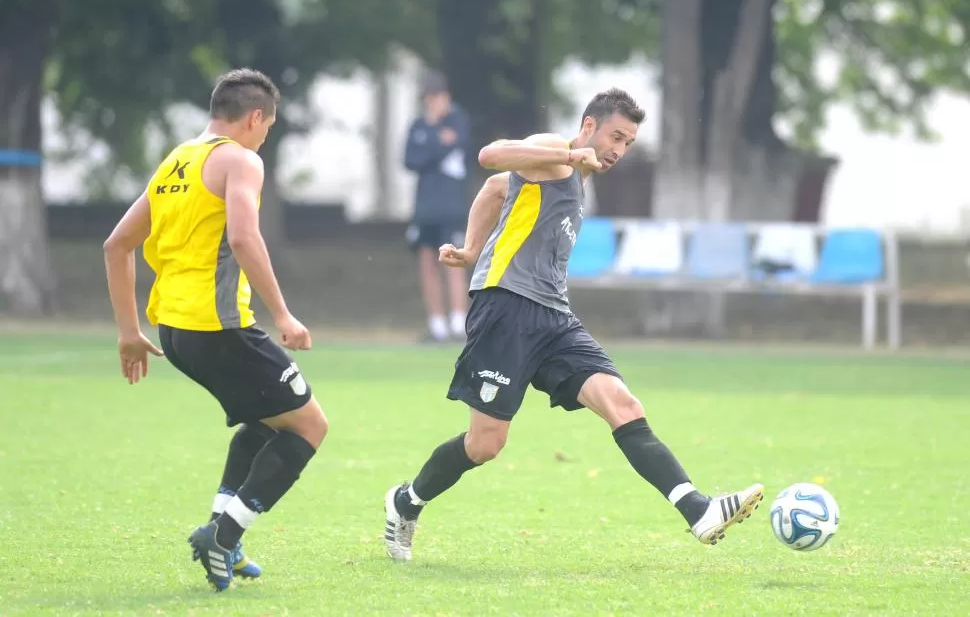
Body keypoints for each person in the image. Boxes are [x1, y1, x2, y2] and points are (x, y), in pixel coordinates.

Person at [384, 88, 763, 562]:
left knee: (622, 403)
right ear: (589, 125)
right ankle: (405, 502)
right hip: (505, 308)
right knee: (485, 445)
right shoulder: (557, 154)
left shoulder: (574, 178)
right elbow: (488, 158)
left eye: (628, 143)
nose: (619, 151)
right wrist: (561, 155)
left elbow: (495, 190)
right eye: (615, 137)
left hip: (554, 317)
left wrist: (471, 247)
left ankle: (699, 510)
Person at [103, 68, 328, 591]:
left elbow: (116, 245)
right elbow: (246, 239)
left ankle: (223, 531)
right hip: (220, 327)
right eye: (267, 128)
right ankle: (223, 538)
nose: (264, 138)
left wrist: (127, 331)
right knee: (311, 427)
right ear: (255, 118)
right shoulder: (241, 160)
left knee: (269, 422)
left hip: (174, 332)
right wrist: (284, 315)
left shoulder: (176, 161)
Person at [403, 70, 473, 342]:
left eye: (436, 97)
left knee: (452, 263)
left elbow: (452, 149)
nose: (432, 103)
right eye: (428, 98)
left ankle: (458, 324)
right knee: (426, 263)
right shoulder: (419, 125)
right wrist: (435, 136)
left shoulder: (459, 120)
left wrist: (430, 145)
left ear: (446, 97)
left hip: (451, 205)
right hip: (425, 205)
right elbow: (410, 160)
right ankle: (437, 325)